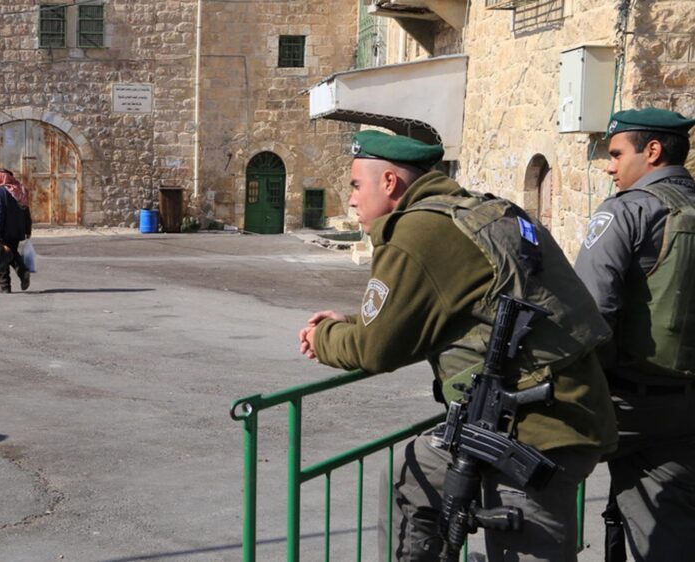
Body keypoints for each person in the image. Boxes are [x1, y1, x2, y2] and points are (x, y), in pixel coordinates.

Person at [298, 130, 617, 561]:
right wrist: (350, 324)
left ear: (389, 183)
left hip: (537, 430)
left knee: (526, 545)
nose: (351, 200)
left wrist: (324, 337)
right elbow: (421, 318)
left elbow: (376, 349)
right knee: (410, 474)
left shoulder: (418, 231)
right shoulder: (476, 210)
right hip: (558, 409)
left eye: (356, 185)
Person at [572, 108, 695, 562]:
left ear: (653, 151)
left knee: (523, 464)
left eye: (617, 153)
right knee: (667, 523)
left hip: (629, 402)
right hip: (685, 401)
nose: (609, 165)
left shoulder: (628, 211)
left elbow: (589, 313)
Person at [0, 168, 33, 293]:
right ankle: (23, 272)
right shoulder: (20, 190)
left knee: (0, 257)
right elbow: (26, 212)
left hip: (3, 230)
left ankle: (5, 286)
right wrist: (27, 229)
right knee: (11, 253)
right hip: (17, 231)